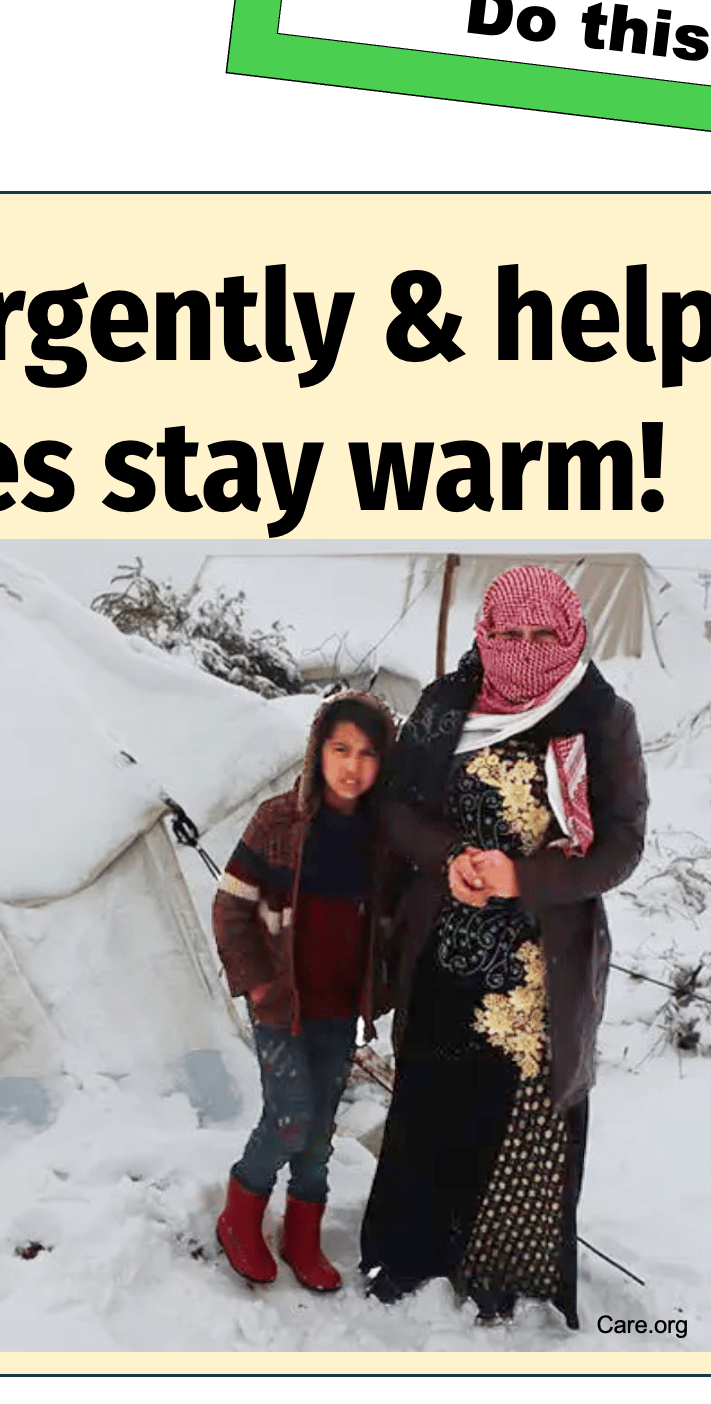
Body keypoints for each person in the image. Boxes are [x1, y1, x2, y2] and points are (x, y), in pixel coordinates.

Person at [359, 564, 648, 1328]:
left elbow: (620, 847)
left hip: (537, 965)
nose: (523, 649)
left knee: (518, 1115)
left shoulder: (599, 718)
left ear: (572, 633)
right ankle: (413, 1254)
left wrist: (521, 878)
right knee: (432, 1099)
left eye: (541, 634)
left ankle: (499, 1271)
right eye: (509, 633)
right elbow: (398, 807)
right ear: (485, 634)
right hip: (447, 944)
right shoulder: (446, 704)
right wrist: (450, 856)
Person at [211, 692, 397, 1293]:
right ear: (318, 749)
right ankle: (239, 1216)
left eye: (367, 754)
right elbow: (230, 909)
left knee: (318, 1133)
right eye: (340, 749)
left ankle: (301, 1233)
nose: (352, 766)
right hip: (281, 1005)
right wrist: (259, 983)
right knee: (290, 1118)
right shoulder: (278, 821)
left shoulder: (380, 835)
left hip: (338, 1008)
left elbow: (391, 920)